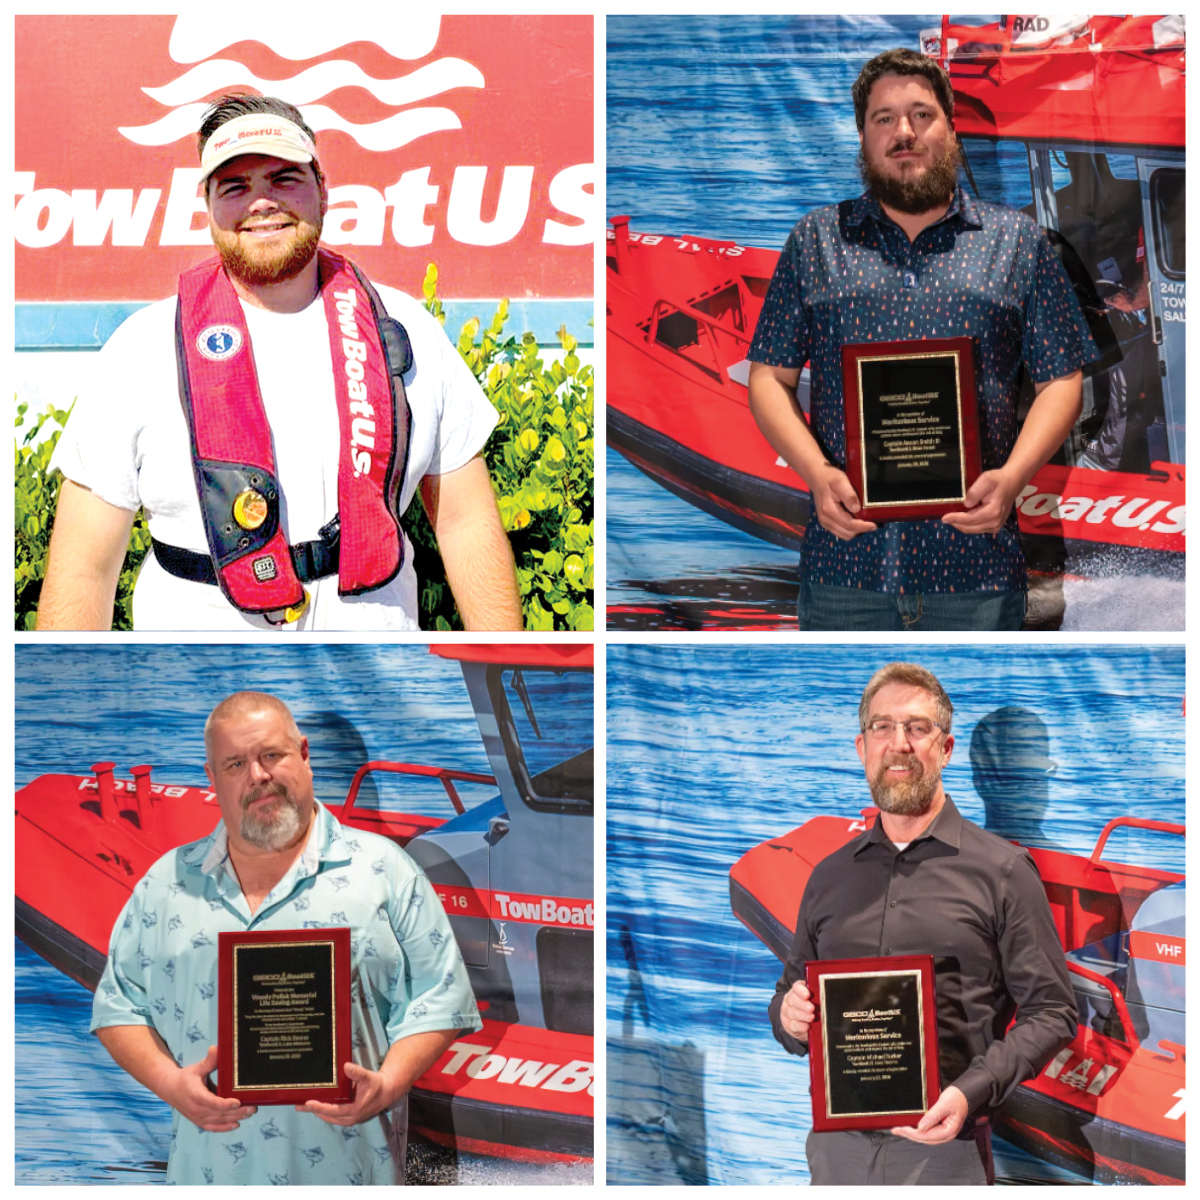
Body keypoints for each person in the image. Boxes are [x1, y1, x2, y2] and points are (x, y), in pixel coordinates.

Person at [39, 93, 523, 631]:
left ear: (323, 188)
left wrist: (503, 671)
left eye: (284, 178)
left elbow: (465, 521)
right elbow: (85, 567)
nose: (261, 202)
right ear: (208, 205)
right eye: (235, 186)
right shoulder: (141, 349)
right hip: (202, 687)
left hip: (378, 683)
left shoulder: (405, 329)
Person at [747, 49, 1099, 631]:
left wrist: (1011, 479)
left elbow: (1061, 379)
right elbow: (769, 377)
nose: (903, 132)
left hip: (977, 575)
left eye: (920, 114)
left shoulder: (1018, 243)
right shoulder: (815, 241)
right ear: (862, 137)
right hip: (846, 574)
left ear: (951, 130)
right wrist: (815, 473)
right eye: (883, 119)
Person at [90, 691, 481, 1185]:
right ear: (212, 778)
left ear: (304, 755)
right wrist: (171, 1084)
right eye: (235, 763)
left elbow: (440, 998)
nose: (257, 775)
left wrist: (389, 1083)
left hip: (354, 1176)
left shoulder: (385, 870)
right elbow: (118, 1008)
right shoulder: (165, 883)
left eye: (271, 755)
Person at [769, 663, 1076, 1186]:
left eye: (917, 728)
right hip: (834, 1153)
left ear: (946, 749)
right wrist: (788, 1017)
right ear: (861, 747)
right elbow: (788, 994)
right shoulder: (829, 876)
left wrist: (969, 1092)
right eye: (882, 728)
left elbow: (1053, 1012)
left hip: (944, 1153)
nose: (899, 744)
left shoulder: (1001, 871)